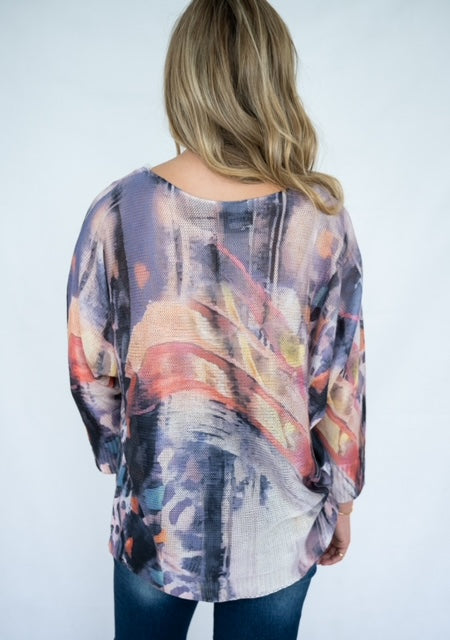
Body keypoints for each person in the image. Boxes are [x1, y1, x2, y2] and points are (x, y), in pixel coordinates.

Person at [66, 0, 366, 638]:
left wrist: (125, 453)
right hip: (280, 523)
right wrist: (342, 497)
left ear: (185, 76)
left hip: (157, 517)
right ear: (274, 76)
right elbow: (341, 377)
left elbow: (89, 367)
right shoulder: (320, 216)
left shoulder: (119, 210)